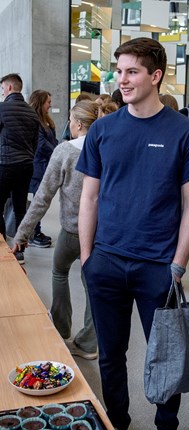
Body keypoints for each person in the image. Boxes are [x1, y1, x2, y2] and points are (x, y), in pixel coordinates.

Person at [76, 37, 189, 430]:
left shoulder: (185, 133)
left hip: (159, 268)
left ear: (156, 75)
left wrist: (179, 265)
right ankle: (117, 421)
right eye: (119, 71)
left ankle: (167, 424)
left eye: (132, 71)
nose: (123, 80)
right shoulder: (103, 130)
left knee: (165, 355)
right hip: (107, 262)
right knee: (110, 356)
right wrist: (87, 258)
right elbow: (90, 197)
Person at [11, 100, 100, 359]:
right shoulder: (106, 147)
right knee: (91, 283)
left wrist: (22, 234)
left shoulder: (65, 151)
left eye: (71, 119)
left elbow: (42, 197)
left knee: (60, 271)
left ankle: (61, 328)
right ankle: (88, 343)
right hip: (100, 233)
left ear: (79, 124)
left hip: (72, 230)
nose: (69, 124)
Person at [0, 73, 40, 264]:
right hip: (26, 166)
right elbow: (35, 142)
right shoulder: (31, 112)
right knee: (19, 208)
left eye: (2, 89)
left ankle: (1, 247)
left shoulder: (2, 109)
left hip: (5, 165)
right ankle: (19, 251)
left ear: (8, 88)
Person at [28, 89, 59, 248]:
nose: (50, 105)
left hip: (45, 166)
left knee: (39, 201)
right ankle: (33, 234)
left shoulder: (45, 120)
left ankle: (35, 231)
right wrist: (57, 151)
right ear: (41, 103)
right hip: (37, 167)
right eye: (48, 102)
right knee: (37, 202)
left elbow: (52, 141)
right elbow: (41, 145)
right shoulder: (34, 120)